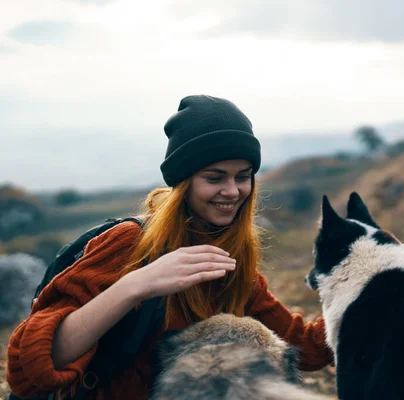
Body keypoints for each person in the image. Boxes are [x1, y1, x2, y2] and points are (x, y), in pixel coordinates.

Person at [6, 95, 333, 399]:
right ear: (183, 182)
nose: (233, 191)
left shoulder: (226, 257)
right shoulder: (130, 243)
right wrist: (136, 285)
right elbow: (28, 368)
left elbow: (305, 347)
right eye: (215, 178)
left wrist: (371, 283)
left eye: (242, 176)